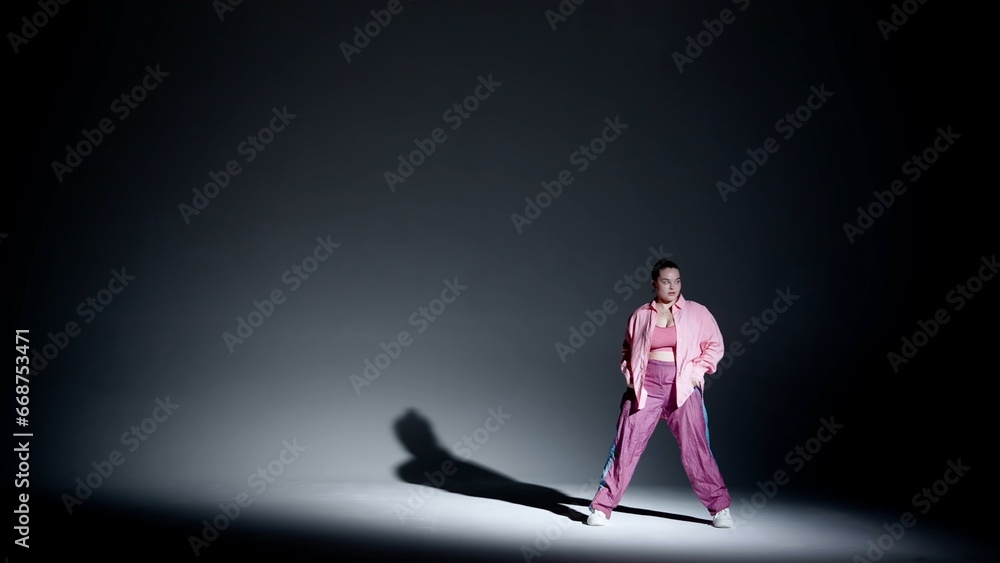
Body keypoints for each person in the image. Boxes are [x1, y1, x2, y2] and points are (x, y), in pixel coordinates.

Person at [587, 258, 733, 528]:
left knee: (696, 449)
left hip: (683, 387)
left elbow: (715, 345)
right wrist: (630, 376)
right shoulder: (641, 314)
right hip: (646, 387)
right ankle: (602, 507)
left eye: (677, 281)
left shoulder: (697, 312)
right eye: (666, 281)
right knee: (625, 447)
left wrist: (696, 373)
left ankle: (719, 508)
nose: (673, 286)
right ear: (654, 283)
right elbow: (627, 350)